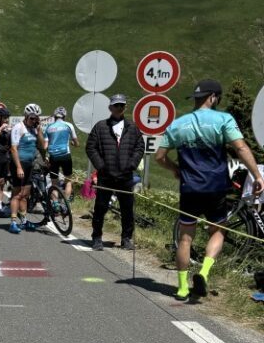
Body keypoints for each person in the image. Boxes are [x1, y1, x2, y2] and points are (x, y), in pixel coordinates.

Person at [155, 78, 264, 300]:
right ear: (213, 98)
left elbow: (159, 156)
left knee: (185, 239)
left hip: (189, 187)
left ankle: (182, 288)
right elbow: (241, 147)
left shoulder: (178, 124)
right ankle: (204, 272)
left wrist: (175, 169)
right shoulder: (223, 119)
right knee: (218, 231)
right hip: (216, 187)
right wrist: (257, 175)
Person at [85, 94, 145, 251]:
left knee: (127, 209)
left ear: (125, 107)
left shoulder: (132, 127)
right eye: (116, 105)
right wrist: (101, 166)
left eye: (122, 105)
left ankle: (126, 239)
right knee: (101, 207)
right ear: (110, 107)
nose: (119, 108)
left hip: (126, 176)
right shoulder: (100, 126)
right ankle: (97, 237)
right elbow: (91, 147)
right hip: (106, 175)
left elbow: (140, 147)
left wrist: (132, 164)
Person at [8, 104, 46, 233]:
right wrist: (18, 167)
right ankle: (13, 222)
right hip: (19, 164)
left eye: (36, 118)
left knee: (25, 195)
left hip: (30, 164)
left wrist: (39, 130)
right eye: (32, 118)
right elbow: (13, 149)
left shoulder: (34, 129)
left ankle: (23, 221)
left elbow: (42, 146)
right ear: (26, 116)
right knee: (17, 194)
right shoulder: (18, 128)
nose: (34, 121)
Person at [44, 107, 78, 199]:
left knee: (54, 182)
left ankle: (55, 204)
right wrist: (73, 143)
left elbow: (45, 146)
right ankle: (65, 204)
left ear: (54, 116)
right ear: (64, 116)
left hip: (53, 156)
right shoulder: (69, 125)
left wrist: (45, 157)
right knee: (68, 181)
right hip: (65, 155)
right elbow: (76, 143)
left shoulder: (49, 127)